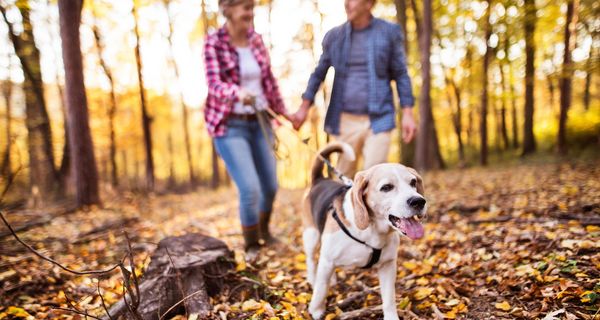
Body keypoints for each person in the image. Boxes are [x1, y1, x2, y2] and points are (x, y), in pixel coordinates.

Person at [203, 0, 294, 260]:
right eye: (244, 7)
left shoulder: (256, 40)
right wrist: (236, 92)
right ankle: (252, 245)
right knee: (250, 188)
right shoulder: (214, 42)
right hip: (229, 125)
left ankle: (264, 231)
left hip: (260, 122)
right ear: (228, 10)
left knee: (270, 186)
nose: (250, 13)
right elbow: (214, 84)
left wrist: (285, 114)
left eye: (252, 8)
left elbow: (269, 81)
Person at [292, 0, 417, 178]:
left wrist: (408, 114)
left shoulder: (389, 32)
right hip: (345, 120)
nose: (347, 4)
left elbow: (401, 74)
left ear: (369, 4)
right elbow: (318, 74)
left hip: (379, 118)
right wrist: (303, 108)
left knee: (376, 177)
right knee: (344, 178)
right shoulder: (334, 37)